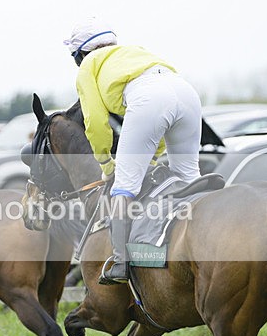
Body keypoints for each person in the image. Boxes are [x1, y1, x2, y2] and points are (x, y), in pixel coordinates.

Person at [64, 17, 202, 285]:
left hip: (150, 97)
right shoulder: (133, 52)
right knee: (188, 175)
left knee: (123, 187)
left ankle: (120, 261)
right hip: (186, 93)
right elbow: (155, 130)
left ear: (81, 54)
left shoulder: (88, 67)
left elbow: (95, 123)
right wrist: (149, 157)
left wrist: (106, 165)